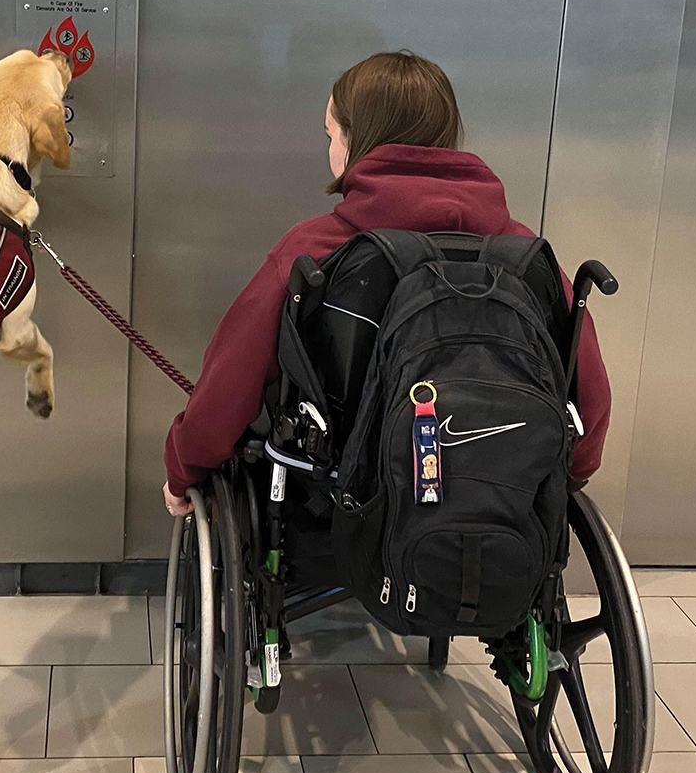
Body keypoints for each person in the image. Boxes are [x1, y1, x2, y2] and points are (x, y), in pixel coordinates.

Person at [162, 50, 611, 516]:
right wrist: (570, 469)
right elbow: (587, 390)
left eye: (331, 133)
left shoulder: (314, 249)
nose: (330, 150)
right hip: (501, 495)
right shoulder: (524, 257)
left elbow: (229, 384)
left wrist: (184, 470)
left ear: (358, 140)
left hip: (341, 504)